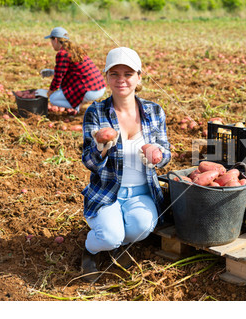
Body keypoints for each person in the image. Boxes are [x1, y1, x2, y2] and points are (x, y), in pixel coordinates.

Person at [80, 47, 171, 282]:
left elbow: (167, 153)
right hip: (107, 191)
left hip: (142, 192)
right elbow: (88, 161)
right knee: (109, 237)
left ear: (139, 77)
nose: (121, 80)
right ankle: (90, 250)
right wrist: (101, 146)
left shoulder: (153, 111)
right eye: (114, 74)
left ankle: (118, 241)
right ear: (107, 77)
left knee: (142, 228)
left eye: (128, 74)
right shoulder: (97, 112)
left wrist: (157, 154)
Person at [43, 27, 106, 115]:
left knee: (54, 98)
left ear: (56, 40)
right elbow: (72, 71)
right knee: (64, 85)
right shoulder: (75, 49)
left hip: (90, 91)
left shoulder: (62, 53)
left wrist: (48, 93)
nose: (51, 44)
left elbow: (58, 79)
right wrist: (53, 72)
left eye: (51, 41)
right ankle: (78, 105)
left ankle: (76, 107)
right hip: (100, 87)